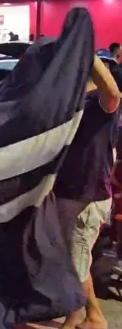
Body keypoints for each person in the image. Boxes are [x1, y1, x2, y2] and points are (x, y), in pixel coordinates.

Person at [54, 55, 120, 329]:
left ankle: (77, 316)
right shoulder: (71, 106)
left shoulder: (101, 105)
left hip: (87, 199)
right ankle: (93, 315)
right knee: (76, 261)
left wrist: (85, 49)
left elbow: (113, 92)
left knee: (77, 263)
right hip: (69, 195)